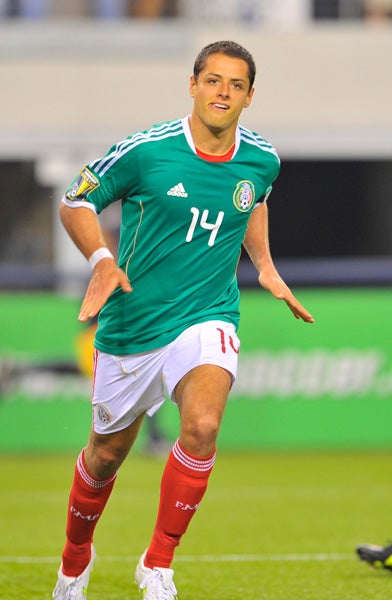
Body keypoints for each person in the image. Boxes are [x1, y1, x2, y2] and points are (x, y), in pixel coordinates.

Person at [52, 39, 315, 600]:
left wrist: (265, 265)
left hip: (208, 313)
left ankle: (158, 565)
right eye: (213, 80)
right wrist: (102, 261)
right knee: (105, 455)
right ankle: (74, 560)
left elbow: (253, 199)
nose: (223, 92)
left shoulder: (262, 158)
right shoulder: (147, 151)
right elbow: (75, 201)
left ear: (249, 96)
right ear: (192, 85)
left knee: (203, 427)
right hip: (133, 325)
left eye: (236, 85)